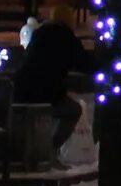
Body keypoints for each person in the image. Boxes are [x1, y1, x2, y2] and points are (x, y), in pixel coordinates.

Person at [10, 11, 94, 152]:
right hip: (47, 94)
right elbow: (85, 64)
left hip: (21, 90)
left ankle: (33, 151)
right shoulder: (67, 39)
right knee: (73, 110)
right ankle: (50, 150)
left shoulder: (38, 34)